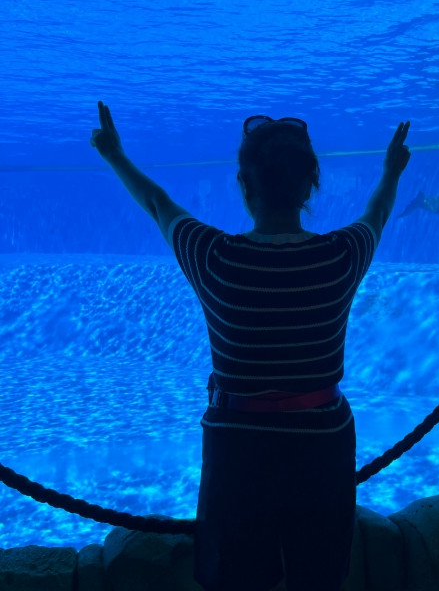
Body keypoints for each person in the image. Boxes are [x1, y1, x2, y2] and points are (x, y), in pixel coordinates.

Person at [90, 101, 411, 591]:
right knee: (318, 577)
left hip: (237, 444)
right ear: (311, 184)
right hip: (322, 440)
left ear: (244, 185)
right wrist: (391, 170)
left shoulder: (215, 258)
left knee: (236, 579)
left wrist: (114, 155)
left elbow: (157, 203)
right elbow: (378, 213)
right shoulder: (339, 258)